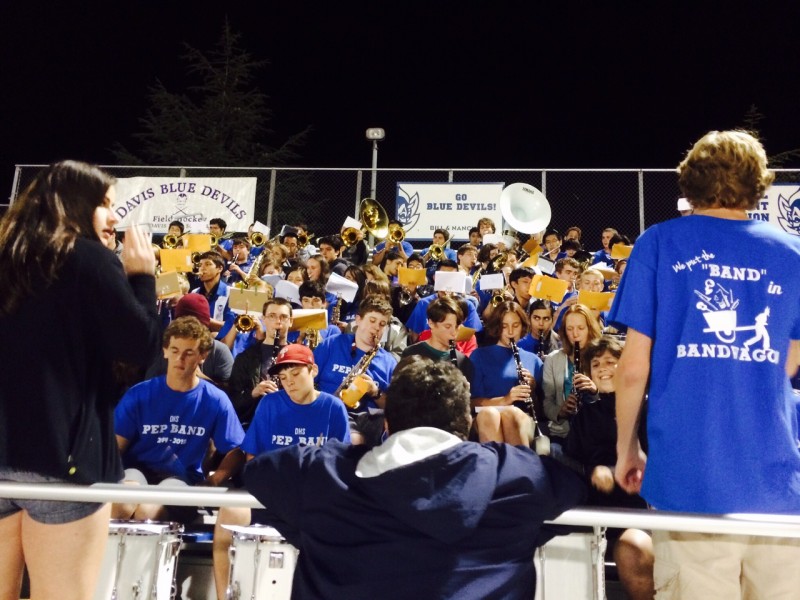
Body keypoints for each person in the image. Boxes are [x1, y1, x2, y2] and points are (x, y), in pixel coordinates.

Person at [611, 130, 800, 598]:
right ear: (758, 183)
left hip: (689, 478)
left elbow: (634, 366)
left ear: (689, 181)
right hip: (775, 483)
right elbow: (790, 360)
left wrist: (626, 449)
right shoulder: (791, 253)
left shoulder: (659, 243)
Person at [242, 356, 586, 600]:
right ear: (466, 422)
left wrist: (313, 530)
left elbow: (258, 474)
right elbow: (576, 487)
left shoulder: (321, 472)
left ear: (387, 422)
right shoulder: (516, 474)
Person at [0, 160, 162, 600]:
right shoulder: (87, 257)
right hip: (62, 463)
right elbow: (142, 347)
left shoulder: (6, 257)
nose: (115, 217)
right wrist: (143, 279)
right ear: (75, 205)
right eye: (105, 204)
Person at [212, 344, 351, 599]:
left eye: (296, 374)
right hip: (271, 495)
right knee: (229, 511)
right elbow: (253, 458)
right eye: (283, 377)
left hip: (312, 500)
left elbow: (340, 465)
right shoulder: (269, 404)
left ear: (314, 370)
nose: (289, 383)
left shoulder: (333, 408)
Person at [112, 317, 245, 522]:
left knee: (148, 511)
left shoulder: (215, 399)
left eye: (188, 353)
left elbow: (235, 449)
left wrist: (215, 480)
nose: (179, 359)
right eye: (174, 351)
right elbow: (115, 446)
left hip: (182, 480)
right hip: (136, 473)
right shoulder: (139, 394)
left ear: (203, 356)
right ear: (165, 351)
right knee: (120, 503)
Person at [564, 337, 653, 600]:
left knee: (632, 548)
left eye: (611, 362)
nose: (603, 368)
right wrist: (592, 472)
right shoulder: (584, 415)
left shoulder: (646, 409)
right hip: (596, 509)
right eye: (596, 364)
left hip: (639, 508)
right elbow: (571, 460)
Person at [313, 296, 397, 446]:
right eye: (372, 321)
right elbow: (309, 382)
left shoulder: (389, 361)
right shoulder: (332, 344)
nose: (376, 327)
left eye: (382, 324)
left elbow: (393, 408)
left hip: (370, 419)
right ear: (358, 320)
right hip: (330, 411)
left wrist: (375, 392)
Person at [470, 301, 544, 445]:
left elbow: (541, 410)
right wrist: (506, 399)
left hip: (521, 419)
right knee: (490, 414)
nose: (510, 332)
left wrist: (533, 389)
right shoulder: (479, 356)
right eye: (504, 326)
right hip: (486, 419)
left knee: (512, 414)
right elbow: (472, 403)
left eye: (515, 326)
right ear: (497, 327)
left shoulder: (534, 360)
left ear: (522, 326)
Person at [542, 304, 602, 449]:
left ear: (590, 329)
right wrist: (560, 411)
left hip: (597, 432)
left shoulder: (602, 358)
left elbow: (613, 401)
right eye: (570, 329)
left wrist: (594, 391)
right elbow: (547, 402)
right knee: (555, 451)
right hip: (563, 433)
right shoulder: (552, 359)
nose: (575, 334)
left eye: (581, 328)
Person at [227, 298, 294, 425]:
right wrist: (253, 393)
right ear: (264, 319)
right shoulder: (245, 358)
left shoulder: (298, 357)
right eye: (272, 316)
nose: (278, 322)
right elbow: (233, 402)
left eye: (283, 317)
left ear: (291, 321)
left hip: (289, 422)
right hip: (255, 422)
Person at [401, 296, 474, 382]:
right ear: (431, 323)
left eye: (456, 327)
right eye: (447, 326)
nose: (454, 333)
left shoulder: (463, 362)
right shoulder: (411, 354)